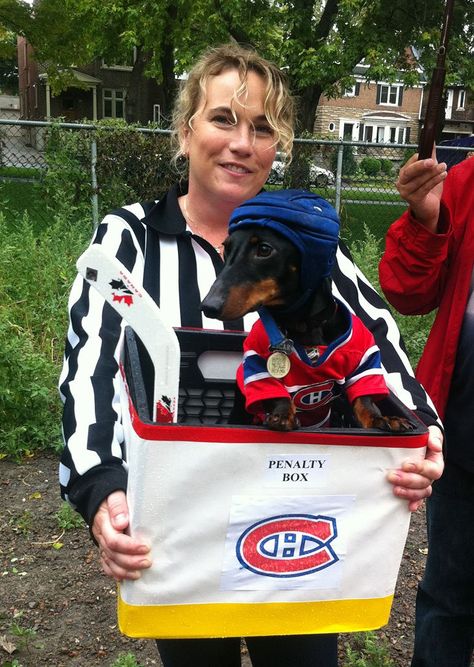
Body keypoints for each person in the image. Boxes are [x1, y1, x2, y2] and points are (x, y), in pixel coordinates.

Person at [59, 43, 444, 667]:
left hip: (299, 519)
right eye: (223, 119)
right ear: (186, 133)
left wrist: (421, 436)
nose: (242, 143)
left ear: (277, 147)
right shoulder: (128, 240)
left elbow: (377, 342)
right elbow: (91, 368)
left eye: (262, 128)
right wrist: (104, 489)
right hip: (184, 522)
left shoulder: (311, 253)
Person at [379, 154, 474, 667]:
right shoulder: (464, 182)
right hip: (463, 427)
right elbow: (408, 293)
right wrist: (425, 218)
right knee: (449, 593)